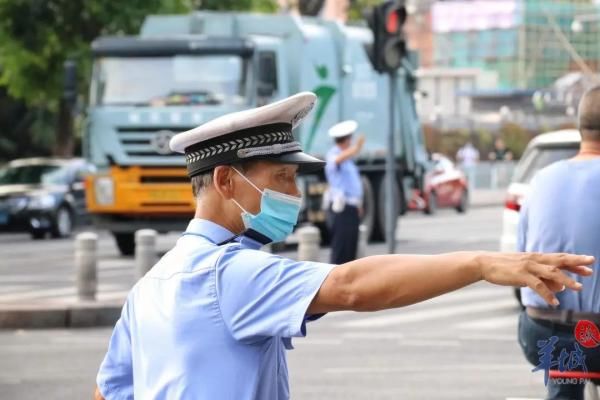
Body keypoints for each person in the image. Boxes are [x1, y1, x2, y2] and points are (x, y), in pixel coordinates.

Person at [94, 92, 594, 400]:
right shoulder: (229, 274)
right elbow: (352, 285)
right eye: (283, 177)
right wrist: (482, 263)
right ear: (225, 180)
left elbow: (108, 391)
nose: (294, 193)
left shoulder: (149, 287)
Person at [517, 86, 600, 400]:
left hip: (542, 332)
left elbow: (521, 256)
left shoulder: (541, 180)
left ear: (581, 128)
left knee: (565, 377)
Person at [325, 120, 364, 264]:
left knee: (351, 248)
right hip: (340, 208)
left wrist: (358, 204)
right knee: (341, 248)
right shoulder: (334, 154)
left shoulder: (349, 160)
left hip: (352, 207)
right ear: (346, 140)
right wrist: (356, 149)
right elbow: (336, 161)